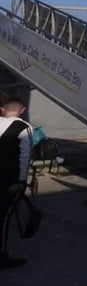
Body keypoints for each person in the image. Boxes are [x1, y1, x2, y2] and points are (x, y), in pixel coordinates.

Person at [0, 95, 33, 270]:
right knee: (4, 219)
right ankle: (2, 256)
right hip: (9, 181)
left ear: (2, 109)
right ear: (22, 110)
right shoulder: (24, 128)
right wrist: (21, 181)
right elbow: (24, 157)